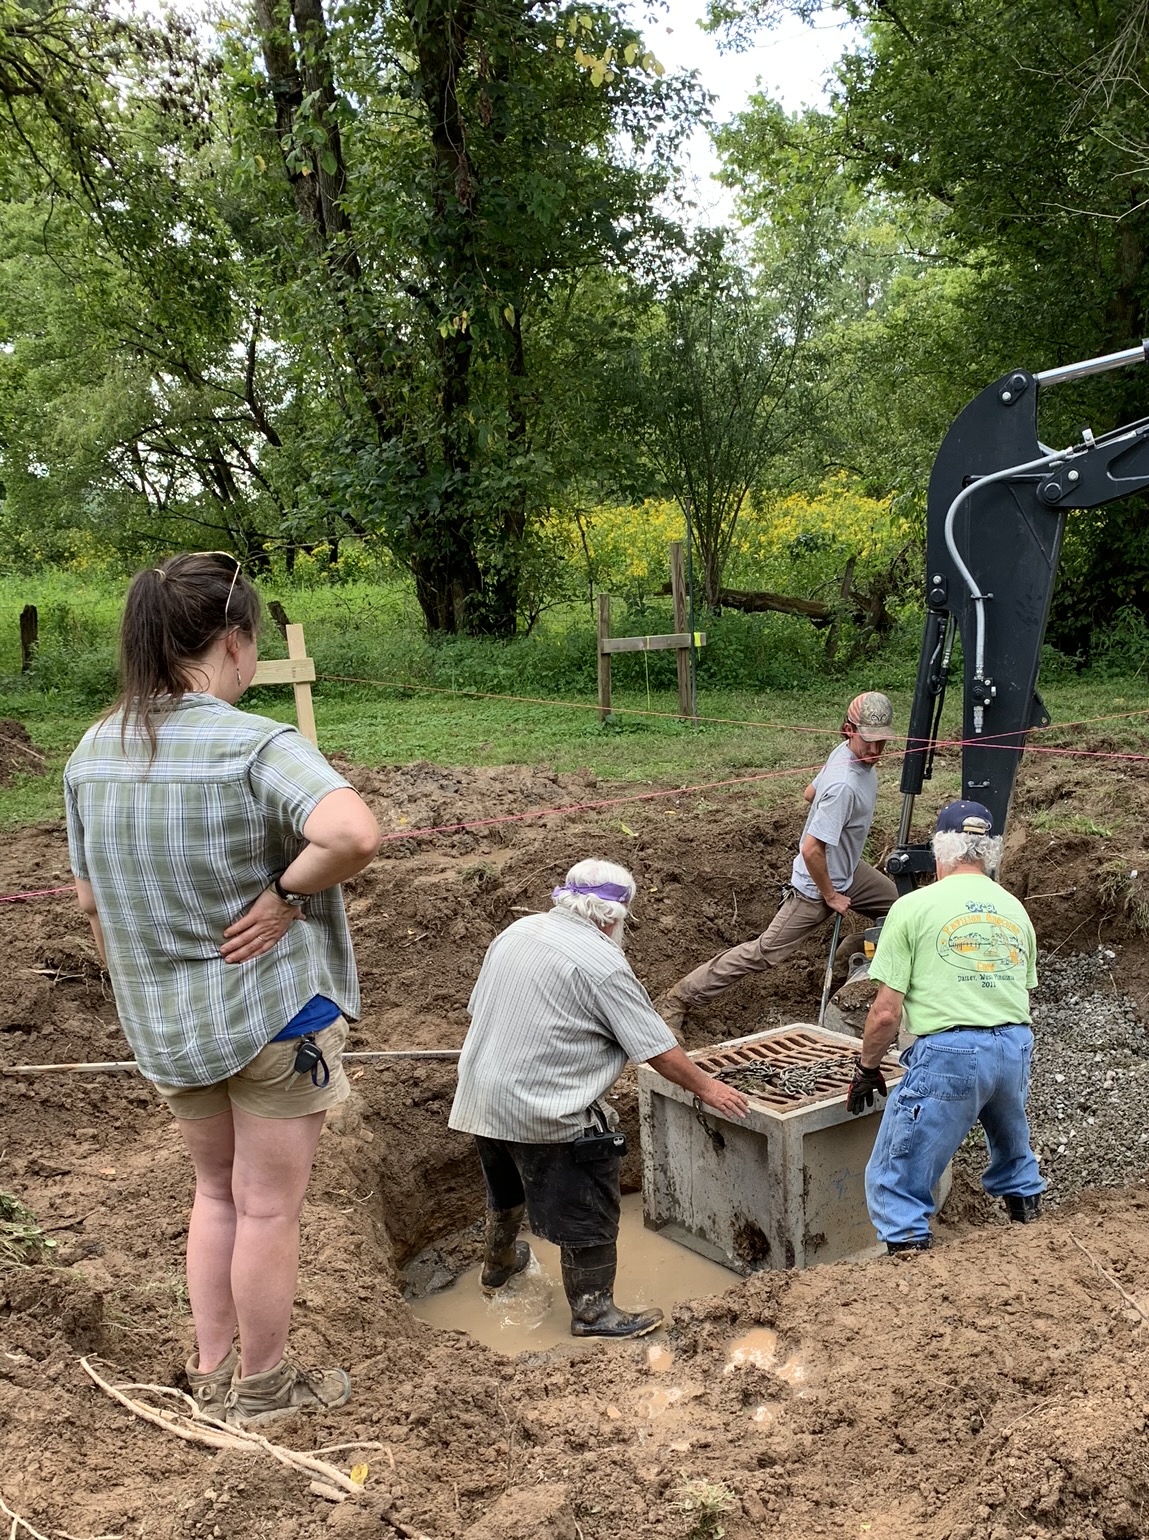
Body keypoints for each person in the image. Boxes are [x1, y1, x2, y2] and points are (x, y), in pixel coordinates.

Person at [65, 551, 381, 1423]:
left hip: (168, 1027)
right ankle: (265, 1390)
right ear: (235, 641)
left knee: (214, 1193)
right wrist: (285, 897)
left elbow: (91, 905)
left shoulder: (92, 752)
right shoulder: (255, 744)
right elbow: (352, 834)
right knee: (268, 1209)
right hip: (275, 1015)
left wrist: (144, 986)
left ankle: (209, 1375)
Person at [450, 859, 751, 1338]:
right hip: (547, 1110)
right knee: (589, 1208)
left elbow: (480, 1008)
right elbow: (656, 1049)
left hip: (480, 1096)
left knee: (506, 1190)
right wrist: (709, 1088)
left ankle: (498, 1268)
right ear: (614, 918)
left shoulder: (516, 932)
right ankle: (594, 1314)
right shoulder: (603, 964)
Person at [849, 799, 1046, 1251]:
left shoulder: (913, 907)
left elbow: (885, 1013)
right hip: (1014, 1046)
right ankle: (1034, 1236)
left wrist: (867, 1068)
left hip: (951, 1053)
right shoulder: (1014, 909)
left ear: (940, 850)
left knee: (896, 1175)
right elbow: (1019, 988)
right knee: (1013, 1149)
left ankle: (909, 1258)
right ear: (989, 852)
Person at [660, 692, 899, 1027]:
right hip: (816, 886)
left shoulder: (845, 753)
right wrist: (830, 895)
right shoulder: (844, 786)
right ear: (849, 730)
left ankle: (851, 951)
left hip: (848, 871)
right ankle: (678, 999)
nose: (875, 750)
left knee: (900, 908)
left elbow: (809, 793)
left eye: (881, 742)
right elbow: (811, 850)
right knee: (764, 952)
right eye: (868, 741)